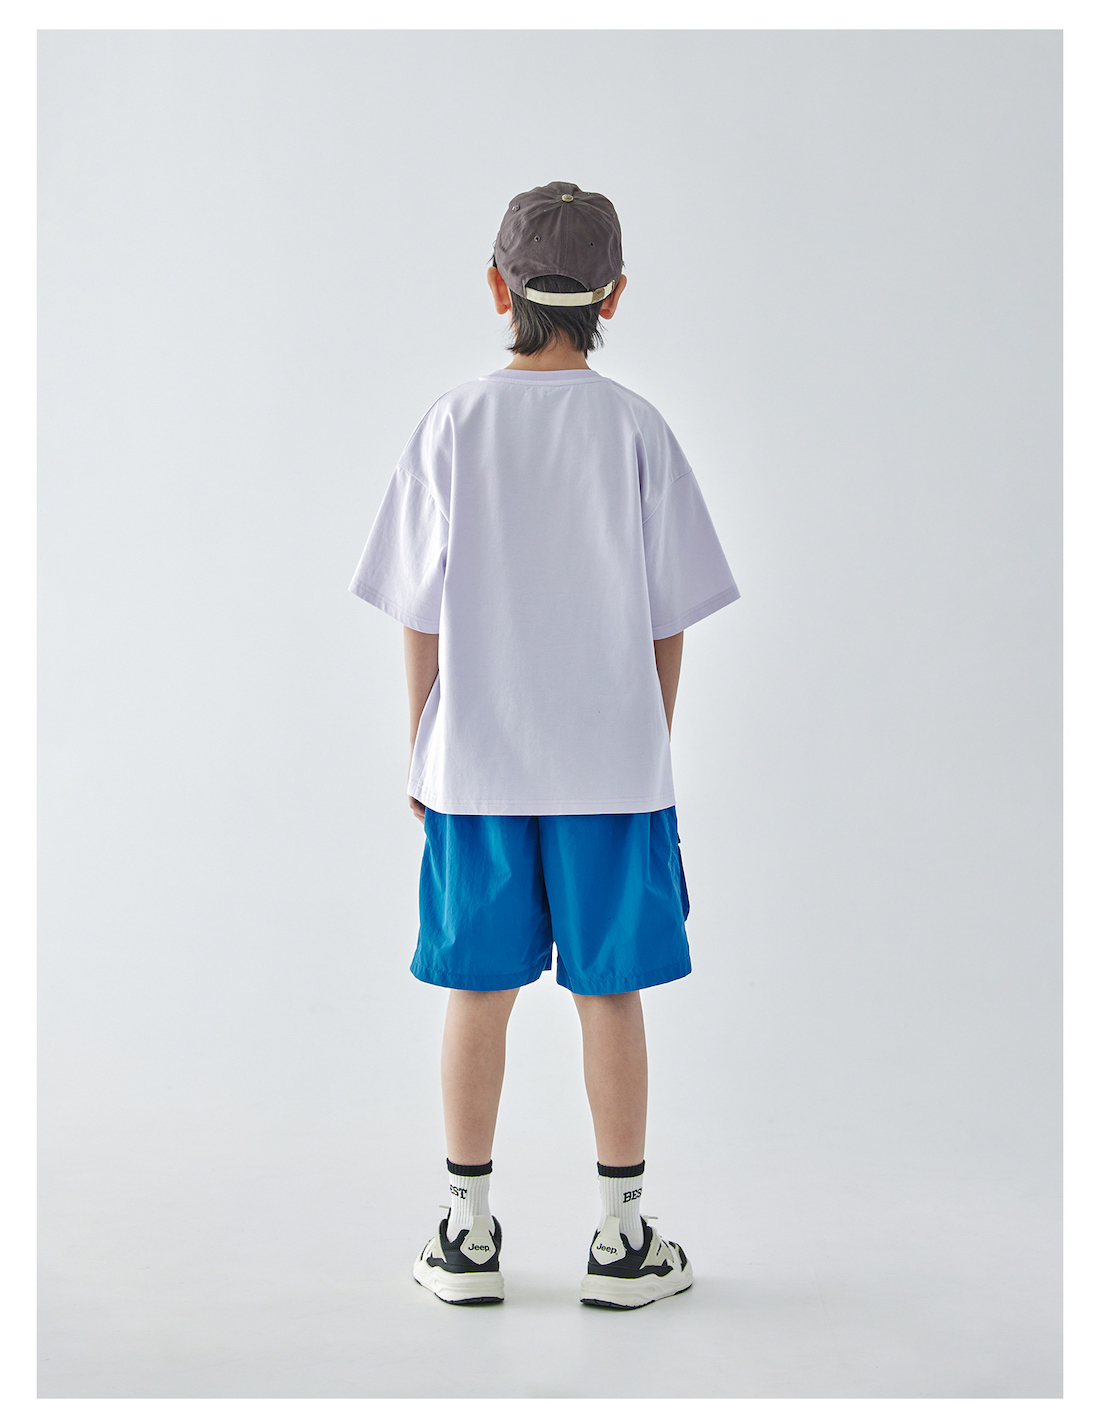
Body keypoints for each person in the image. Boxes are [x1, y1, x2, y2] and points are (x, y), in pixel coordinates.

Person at [349, 181, 739, 1310]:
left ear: (496, 287)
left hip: (474, 763)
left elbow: (417, 612)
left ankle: (465, 1238)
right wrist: (646, 743)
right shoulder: (637, 429)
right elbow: (669, 618)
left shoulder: (453, 423)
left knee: (476, 989)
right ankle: (622, 1242)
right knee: (609, 993)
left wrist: (422, 741)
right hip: (611, 771)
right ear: (613, 296)